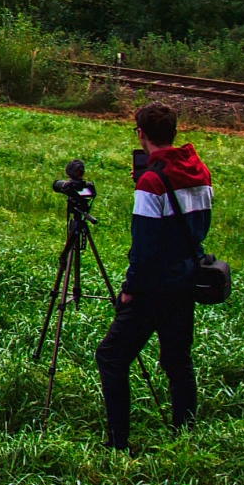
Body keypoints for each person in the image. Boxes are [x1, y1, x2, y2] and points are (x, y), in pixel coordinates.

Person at [95, 100, 213, 450]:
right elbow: (199, 226)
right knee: (178, 360)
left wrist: (130, 288)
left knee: (111, 356)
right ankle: (185, 435)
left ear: (141, 134)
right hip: (187, 278)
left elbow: (144, 245)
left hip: (153, 286)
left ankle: (118, 441)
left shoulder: (152, 182)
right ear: (173, 133)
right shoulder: (199, 171)